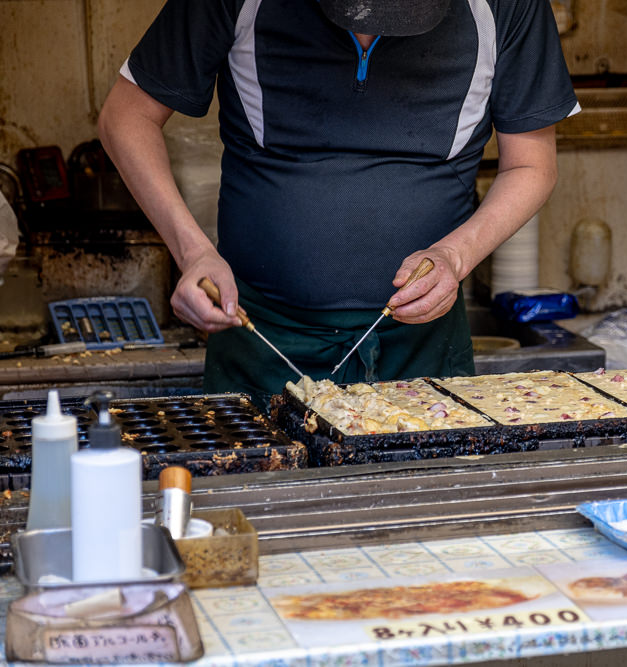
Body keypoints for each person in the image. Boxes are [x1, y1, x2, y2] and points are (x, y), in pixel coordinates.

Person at [98, 0, 579, 407]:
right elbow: (127, 117)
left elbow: (532, 164)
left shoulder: (508, 5)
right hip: (262, 340)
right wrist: (193, 253)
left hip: (423, 349)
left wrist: (455, 256)